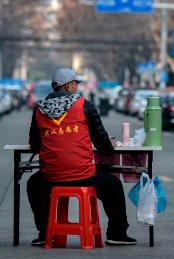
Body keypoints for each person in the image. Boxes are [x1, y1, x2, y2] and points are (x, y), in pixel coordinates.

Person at [27, 68, 136, 246]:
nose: (77, 88)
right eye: (75, 84)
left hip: (51, 176)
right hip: (83, 175)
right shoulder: (84, 106)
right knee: (113, 185)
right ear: (69, 85)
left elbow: (34, 146)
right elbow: (103, 146)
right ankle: (117, 234)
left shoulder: (39, 110)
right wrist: (110, 143)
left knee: (33, 184)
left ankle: (45, 233)